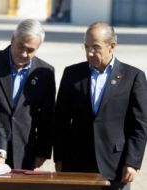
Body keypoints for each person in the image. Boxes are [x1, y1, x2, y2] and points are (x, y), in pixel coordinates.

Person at [53, 22, 147, 190]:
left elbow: (140, 125)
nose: (89, 53)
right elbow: (61, 120)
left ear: (112, 46)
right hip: (77, 164)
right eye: (86, 47)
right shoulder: (72, 74)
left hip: (115, 165)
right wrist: (59, 157)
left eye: (95, 47)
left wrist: (132, 162)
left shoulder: (133, 77)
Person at [0, 19, 56, 169]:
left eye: (30, 50)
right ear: (12, 39)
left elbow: (47, 117)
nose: (24, 54)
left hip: (24, 150)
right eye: (20, 47)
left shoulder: (45, 72)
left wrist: (43, 151)